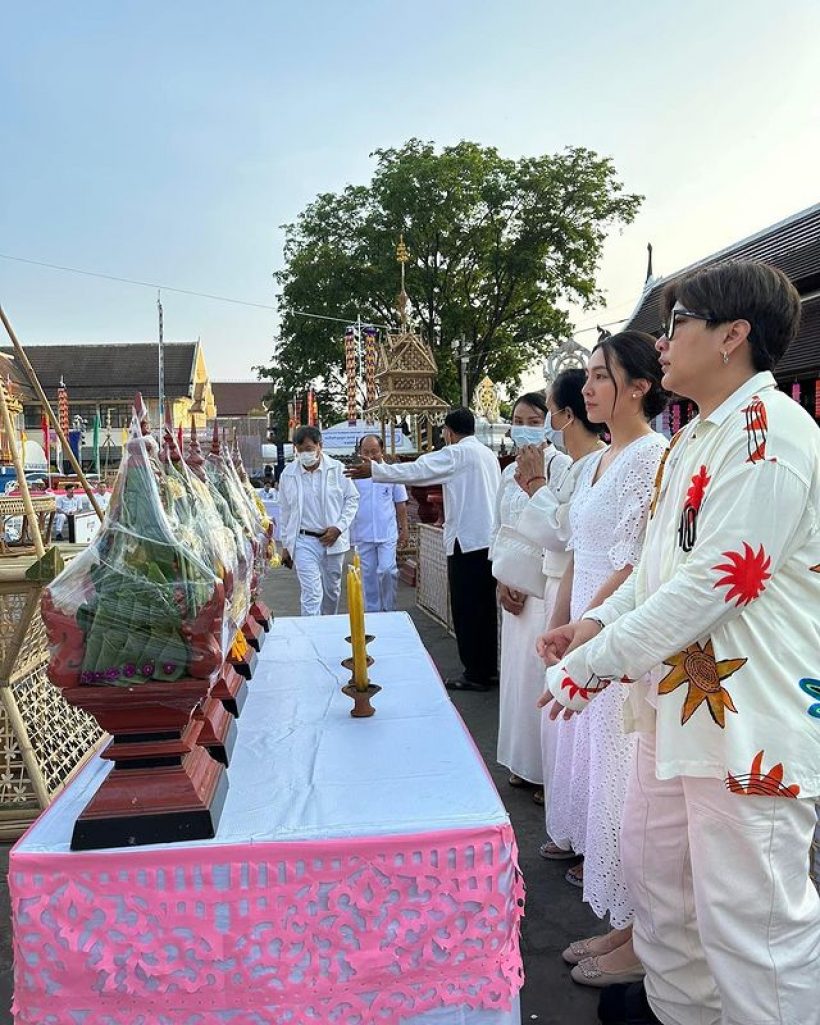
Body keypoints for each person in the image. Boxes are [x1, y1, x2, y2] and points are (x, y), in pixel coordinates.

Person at [540, 262, 820, 1025]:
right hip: (678, 707)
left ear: (733, 336)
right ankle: (679, 1009)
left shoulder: (771, 436)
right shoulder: (693, 435)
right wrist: (594, 626)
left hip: (748, 724)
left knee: (754, 922)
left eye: (676, 323)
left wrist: (592, 664)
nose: (661, 342)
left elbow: (719, 582)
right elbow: (665, 567)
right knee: (665, 882)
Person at [535, 332, 668, 988]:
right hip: (588, 633)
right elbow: (577, 556)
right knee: (603, 779)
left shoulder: (651, 456)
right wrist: (561, 622)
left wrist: (591, 633)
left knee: (626, 786)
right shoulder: (600, 459)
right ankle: (624, 921)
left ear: (639, 385)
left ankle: (642, 936)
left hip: (618, 642)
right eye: (584, 377)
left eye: (598, 376)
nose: (584, 388)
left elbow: (635, 565)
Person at [347, 408, 501, 691]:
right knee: (484, 610)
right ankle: (487, 668)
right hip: (487, 540)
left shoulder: (458, 453)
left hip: (467, 542)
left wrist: (377, 470)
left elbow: (419, 469)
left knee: (467, 610)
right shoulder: (487, 455)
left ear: (449, 432)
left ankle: (475, 673)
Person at [513, 371, 607, 812]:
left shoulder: (598, 463)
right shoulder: (584, 466)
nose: (543, 424)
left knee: (585, 715)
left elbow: (564, 533)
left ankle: (584, 820)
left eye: (546, 414)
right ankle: (566, 810)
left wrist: (535, 487)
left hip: (594, 595)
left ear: (567, 416)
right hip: (557, 587)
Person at [492, 392, 571, 804]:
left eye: (533, 418)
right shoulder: (508, 473)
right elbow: (500, 526)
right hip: (513, 588)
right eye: (517, 418)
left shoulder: (560, 468)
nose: (523, 425)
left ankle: (546, 771)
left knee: (539, 677)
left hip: (543, 589)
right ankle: (521, 763)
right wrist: (503, 577)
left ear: (548, 422)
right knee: (516, 680)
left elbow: (561, 531)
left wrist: (528, 576)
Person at [279, 426, 359, 616]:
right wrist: (285, 545)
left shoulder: (337, 469)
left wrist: (339, 528)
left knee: (332, 592)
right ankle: (310, 636)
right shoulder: (288, 474)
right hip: (303, 541)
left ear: (319, 446)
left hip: (333, 539)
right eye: (300, 450)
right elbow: (285, 511)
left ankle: (327, 629)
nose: (305, 453)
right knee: (312, 593)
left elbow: (352, 499)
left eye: (309, 448)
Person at [350, 434, 410, 612]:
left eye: (374, 452)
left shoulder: (391, 473)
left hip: (387, 534)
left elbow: (401, 505)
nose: (370, 456)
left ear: (381, 451)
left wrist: (404, 530)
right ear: (359, 452)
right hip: (363, 534)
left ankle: (389, 609)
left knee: (386, 571)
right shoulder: (355, 475)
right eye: (365, 451)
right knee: (368, 577)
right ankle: (372, 612)